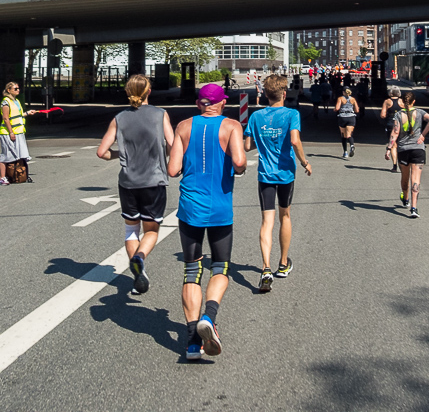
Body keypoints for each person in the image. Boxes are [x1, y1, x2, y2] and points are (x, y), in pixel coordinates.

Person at [168, 83, 247, 361]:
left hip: (189, 208)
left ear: (200, 103)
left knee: (191, 271)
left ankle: (192, 342)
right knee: (220, 267)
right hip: (220, 209)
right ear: (221, 103)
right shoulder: (232, 126)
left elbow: (173, 169)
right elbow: (239, 162)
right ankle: (209, 318)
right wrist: (240, 165)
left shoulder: (183, 126)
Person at [96, 74, 175, 295]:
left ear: (127, 92)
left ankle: (138, 274)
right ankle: (139, 258)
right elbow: (172, 144)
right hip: (154, 181)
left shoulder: (119, 118)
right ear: (149, 91)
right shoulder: (160, 115)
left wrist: (121, 155)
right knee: (151, 230)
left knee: (131, 229)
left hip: (128, 183)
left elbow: (101, 152)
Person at [243, 75, 311, 293]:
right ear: (284, 93)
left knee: (267, 221)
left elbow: (246, 146)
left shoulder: (255, 117)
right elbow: (294, 140)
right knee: (286, 216)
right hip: (285, 175)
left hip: (265, 175)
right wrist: (304, 162)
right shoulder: (292, 114)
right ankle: (282, 264)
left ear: (264, 94)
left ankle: (265, 268)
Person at [388, 91, 429, 219]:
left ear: (402, 102)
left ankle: (406, 199)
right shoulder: (420, 112)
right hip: (418, 149)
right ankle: (414, 208)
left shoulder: (398, 115)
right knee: (416, 180)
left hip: (403, 150)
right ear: (414, 102)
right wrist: (423, 135)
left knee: (405, 177)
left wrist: (389, 147)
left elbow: (395, 132)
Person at [0, 81, 35, 185]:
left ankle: (13, 175)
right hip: (8, 132)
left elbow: (17, 115)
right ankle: (2, 177)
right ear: (8, 90)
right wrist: (11, 132)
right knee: (6, 155)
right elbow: (5, 118)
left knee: (17, 155)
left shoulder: (16, 101)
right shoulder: (6, 102)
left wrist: (27, 113)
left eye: (18, 88)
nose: (18, 90)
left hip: (18, 132)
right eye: (15, 89)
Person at [379, 86, 403, 173]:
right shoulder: (402, 101)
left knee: (393, 145)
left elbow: (382, 115)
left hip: (391, 124)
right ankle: (403, 163)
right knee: (402, 144)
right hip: (402, 125)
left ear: (391, 93)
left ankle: (394, 165)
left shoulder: (387, 101)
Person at [334, 87, 360, 159]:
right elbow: (357, 110)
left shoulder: (340, 98)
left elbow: (337, 108)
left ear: (343, 92)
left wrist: (334, 110)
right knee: (349, 134)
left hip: (342, 117)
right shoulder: (353, 99)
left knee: (343, 135)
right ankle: (352, 145)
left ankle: (345, 152)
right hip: (351, 117)